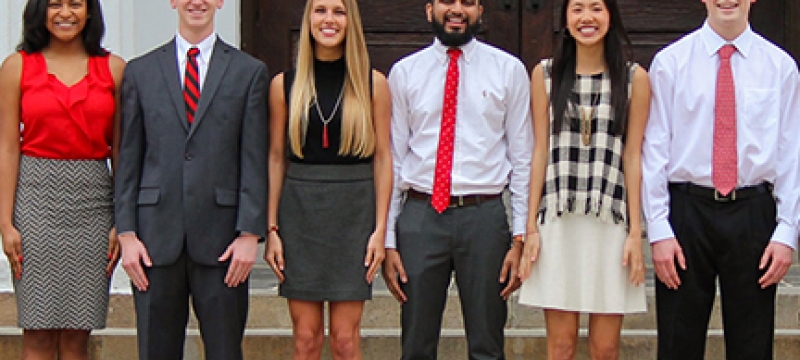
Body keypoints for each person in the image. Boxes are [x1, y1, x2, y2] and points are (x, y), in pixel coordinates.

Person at [641, 1, 800, 359]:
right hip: (687, 211)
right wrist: (659, 227)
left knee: (752, 343)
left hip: (752, 211)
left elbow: (792, 152)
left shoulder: (780, 67)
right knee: (678, 342)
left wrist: (787, 229)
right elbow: (654, 149)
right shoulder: (671, 63)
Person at [114, 0, 268, 358]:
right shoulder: (141, 72)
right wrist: (127, 233)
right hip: (153, 240)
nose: (196, 2)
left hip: (223, 242)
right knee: (157, 350)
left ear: (219, 3)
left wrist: (249, 233)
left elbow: (254, 158)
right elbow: (128, 159)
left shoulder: (248, 72)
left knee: (224, 350)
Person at [381, 1, 533, 358]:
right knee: (417, 342)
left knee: (487, 342)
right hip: (420, 218)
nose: (457, 10)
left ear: (480, 9)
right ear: (429, 8)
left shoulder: (508, 70)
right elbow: (393, 159)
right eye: (447, 1)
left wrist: (520, 237)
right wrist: (388, 239)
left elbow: (523, 157)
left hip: (483, 217)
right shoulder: (404, 73)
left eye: (467, 2)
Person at [516, 0, 649, 358]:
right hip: (559, 220)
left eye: (596, 8)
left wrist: (636, 234)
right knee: (561, 345)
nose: (586, 18)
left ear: (611, 17)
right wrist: (530, 228)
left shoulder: (634, 77)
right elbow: (539, 151)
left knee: (605, 348)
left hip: (609, 221)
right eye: (577, 9)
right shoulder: (545, 74)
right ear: (566, 19)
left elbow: (633, 157)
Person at [263, 0, 391, 359]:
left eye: (338, 10)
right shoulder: (283, 85)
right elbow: (276, 158)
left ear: (350, 21)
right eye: (320, 10)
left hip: (354, 210)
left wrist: (381, 230)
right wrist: (271, 229)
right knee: (305, 338)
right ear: (308, 20)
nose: (329, 20)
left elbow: (383, 159)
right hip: (300, 210)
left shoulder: (373, 84)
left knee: (345, 340)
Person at [0, 0, 123, 359]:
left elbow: (122, 154)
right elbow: (8, 148)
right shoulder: (16, 67)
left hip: (94, 206)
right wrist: (6, 222)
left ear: (89, 12)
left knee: (76, 336)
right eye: (55, 4)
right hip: (35, 201)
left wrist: (122, 219)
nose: (65, 13)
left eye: (75, 4)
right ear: (40, 11)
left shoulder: (114, 70)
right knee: (36, 333)